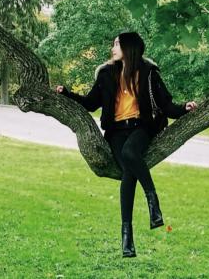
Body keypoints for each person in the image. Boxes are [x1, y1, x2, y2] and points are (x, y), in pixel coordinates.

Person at [55, 31, 198, 258]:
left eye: (117, 44)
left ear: (129, 48)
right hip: (116, 132)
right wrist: (67, 94)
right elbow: (91, 103)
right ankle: (131, 232)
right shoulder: (106, 74)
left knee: (131, 153)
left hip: (142, 127)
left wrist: (184, 108)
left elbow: (166, 104)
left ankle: (148, 208)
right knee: (128, 173)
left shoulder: (148, 73)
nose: (112, 48)